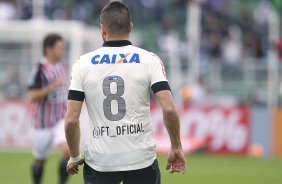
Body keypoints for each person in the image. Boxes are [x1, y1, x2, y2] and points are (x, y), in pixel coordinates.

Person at [65, 1, 186, 184]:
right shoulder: (150, 60)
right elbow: (169, 109)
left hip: (100, 161)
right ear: (130, 27)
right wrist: (176, 146)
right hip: (140, 159)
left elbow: (72, 120)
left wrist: (74, 156)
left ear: (103, 29)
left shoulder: (83, 63)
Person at [28, 33, 70, 184]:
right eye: (59, 48)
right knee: (40, 161)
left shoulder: (64, 67)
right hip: (42, 123)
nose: (62, 51)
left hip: (60, 119)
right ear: (48, 49)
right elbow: (32, 96)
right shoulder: (39, 69)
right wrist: (51, 88)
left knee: (67, 152)